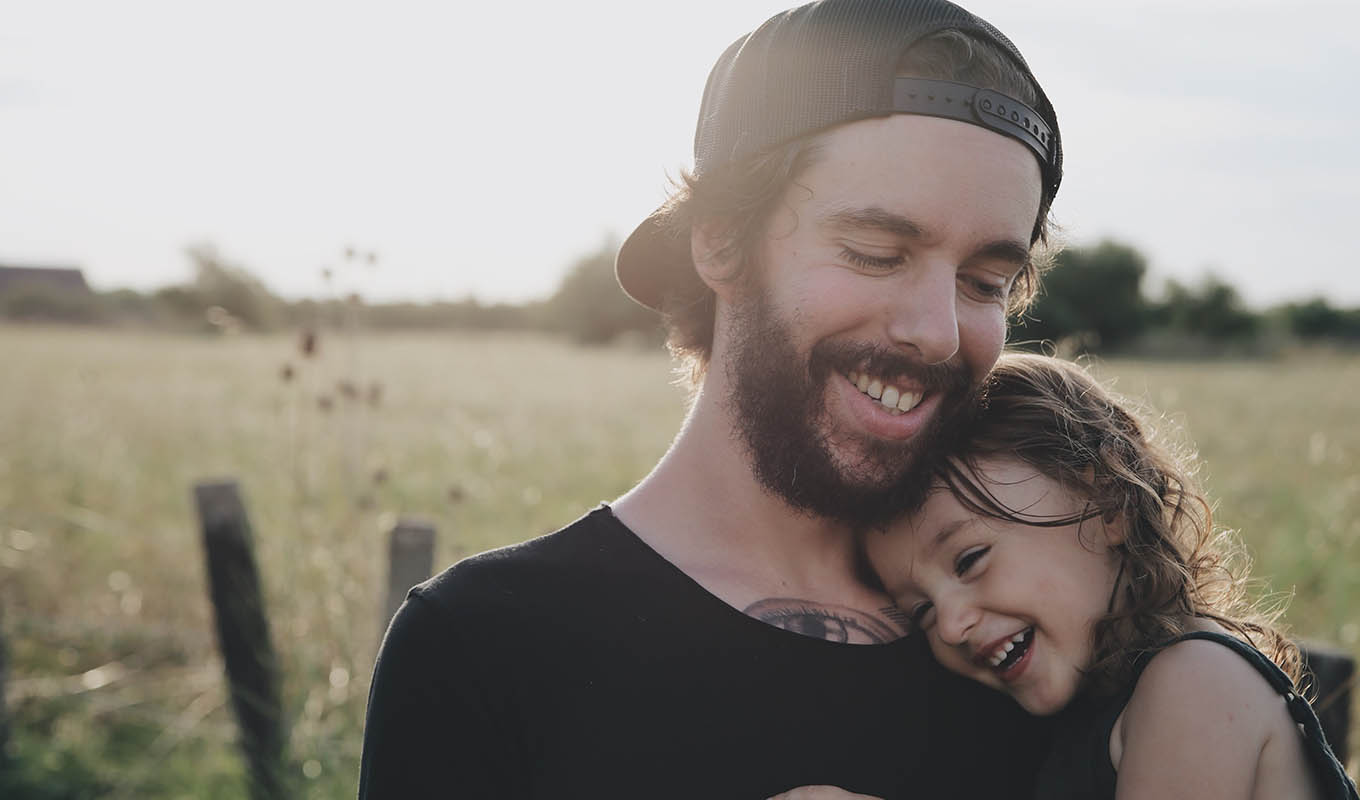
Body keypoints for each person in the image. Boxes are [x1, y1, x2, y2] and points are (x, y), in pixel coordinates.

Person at [358, 1, 1067, 796]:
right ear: (721, 244)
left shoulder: (1032, 631)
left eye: (984, 283)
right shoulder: (486, 646)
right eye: (876, 254)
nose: (938, 332)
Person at [863, 353, 1359, 800]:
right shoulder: (1097, 709)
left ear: (1108, 503)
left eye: (969, 559)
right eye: (921, 611)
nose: (950, 625)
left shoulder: (1196, 684)